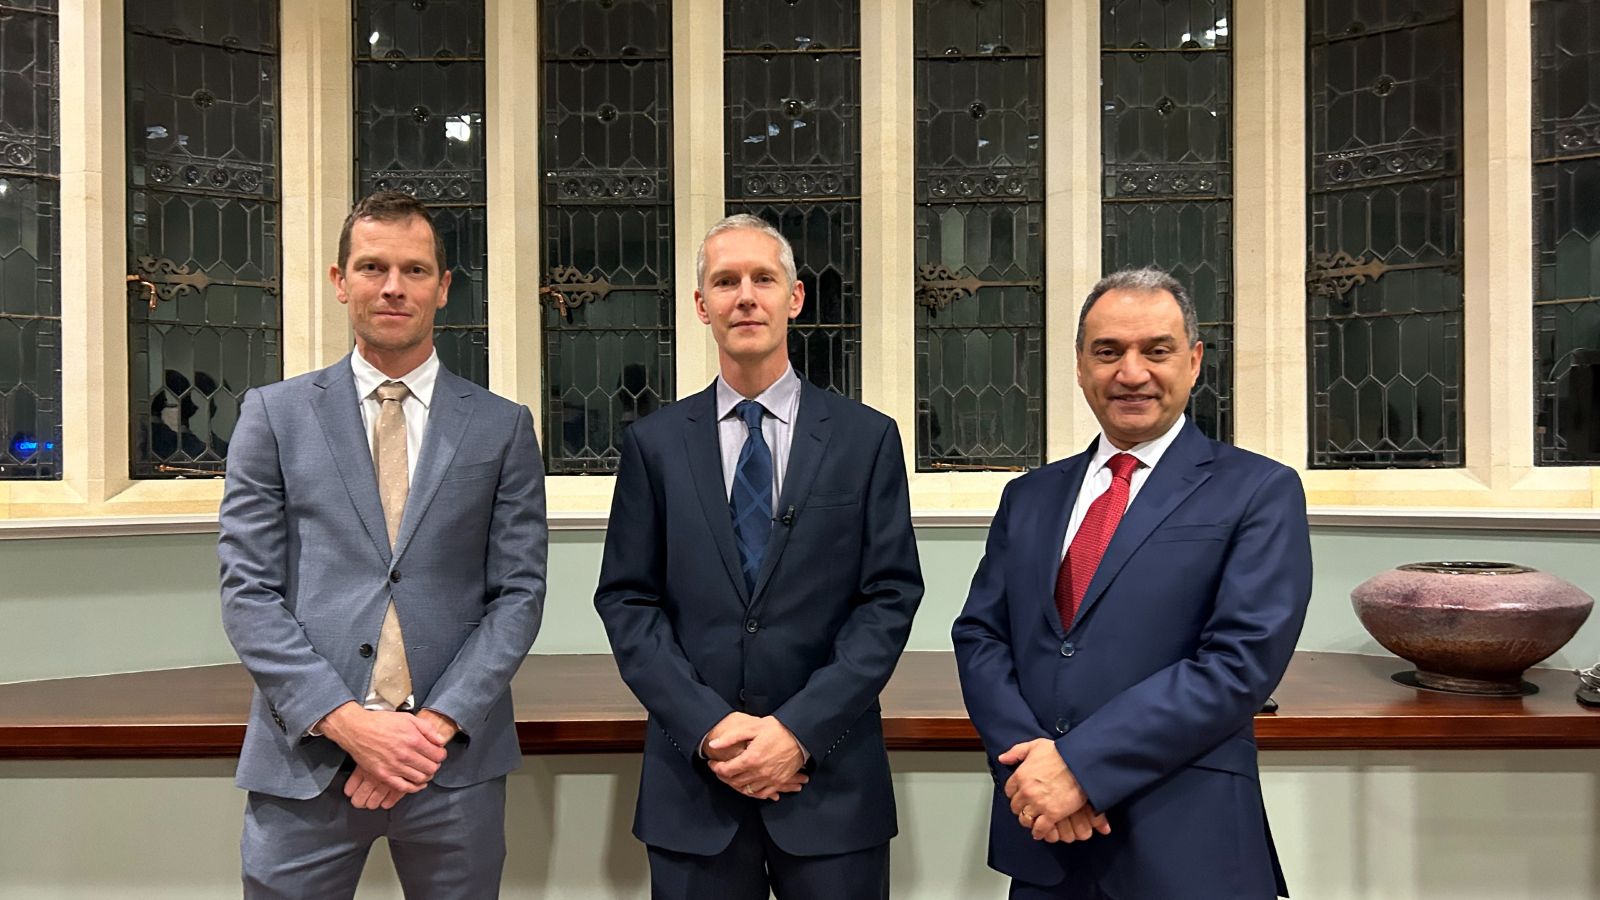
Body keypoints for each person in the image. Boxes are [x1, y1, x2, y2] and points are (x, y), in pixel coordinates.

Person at [218, 191, 547, 898]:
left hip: (451, 764)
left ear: (443, 286)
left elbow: (518, 597)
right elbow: (248, 593)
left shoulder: (502, 427)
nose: (393, 287)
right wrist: (349, 726)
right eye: (372, 267)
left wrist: (428, 729)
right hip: (305, 761)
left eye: (414, 269)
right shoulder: (273, 417)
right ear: (340, 281)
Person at [952, 267, 1312, 899]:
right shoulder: (1030, 496)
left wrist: (1081, 768)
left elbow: (1238, 663)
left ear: (1194, 361)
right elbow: (981, 634)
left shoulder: (1258, 490)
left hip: (1185, 844)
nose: (1132, 372)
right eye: (1108, 352)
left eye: (1157, 350)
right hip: (1047, 840)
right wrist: (1032, 769)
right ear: (1080, 365)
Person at [594, 213, 923, 899]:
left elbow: (888, 598)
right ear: (701, 305)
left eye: (762, 279)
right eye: (725, 281)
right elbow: (628, 600)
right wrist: (709, 727)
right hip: (695, 790)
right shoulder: (654, 446)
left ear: (794, 298)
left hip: (831, 786)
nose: (745, 296)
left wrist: (797, 732)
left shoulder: (866, 440)